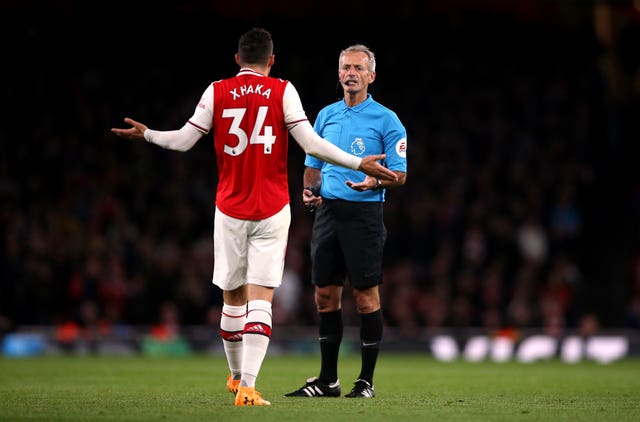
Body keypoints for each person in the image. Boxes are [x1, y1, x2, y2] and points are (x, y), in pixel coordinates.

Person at [111, 28, 397, 407]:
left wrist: (148, 135)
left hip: (229, 208)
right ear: (272, 60)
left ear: (237, 59)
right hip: (272, 208)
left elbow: (181, 140)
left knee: (231, 299)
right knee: (261, 298)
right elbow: (311, 144)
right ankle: (247, 385)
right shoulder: (283, 90)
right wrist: (357, 161)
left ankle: (233, 378)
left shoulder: (217, 91)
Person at [285, 44, 407, 399]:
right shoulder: (325, 116)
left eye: (357, 68)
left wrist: (375, 181)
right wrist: (309, 189)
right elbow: (313, 163)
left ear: (371, 75)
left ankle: (365, 382)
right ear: (338, 74)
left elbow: (399, 175)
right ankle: (328, 381)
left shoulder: (387, 120)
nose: (350, 73)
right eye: (345, 67)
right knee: (324, 295)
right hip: (328, 214)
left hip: (364, 215)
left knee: (366, 297)